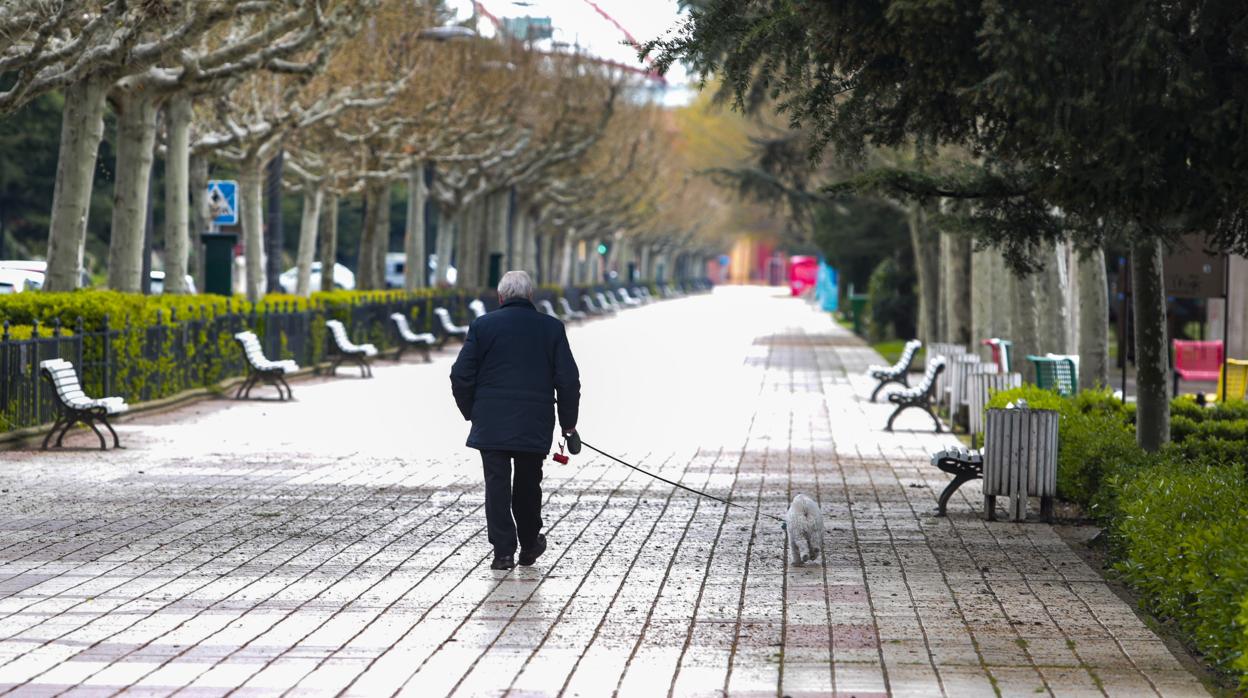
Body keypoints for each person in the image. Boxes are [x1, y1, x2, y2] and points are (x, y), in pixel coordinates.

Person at [450, 271, 580, 570]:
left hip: (491, 421)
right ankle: (530, 542)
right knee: (528, 483)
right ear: (531, 296)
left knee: (496, 485)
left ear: (500, 297)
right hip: (534, 421)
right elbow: (569, 380)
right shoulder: (551, 328)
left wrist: (473, 410)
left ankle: (503, 552)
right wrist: (568, 424)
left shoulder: (483, 326)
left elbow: (460, 374)